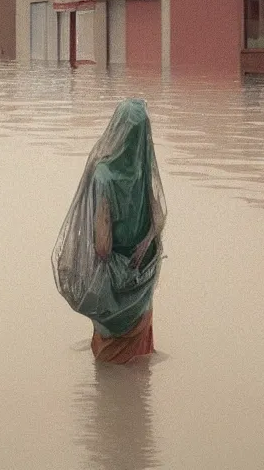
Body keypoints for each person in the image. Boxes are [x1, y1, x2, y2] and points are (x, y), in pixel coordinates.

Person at [52, 98, 166, 364]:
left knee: (109, 367)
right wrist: (144, 243)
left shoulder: (103, 174)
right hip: (141, 278)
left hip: (116, 286)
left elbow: (102, 248)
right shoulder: (143, 168)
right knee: (139, 368)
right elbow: (159, 216)